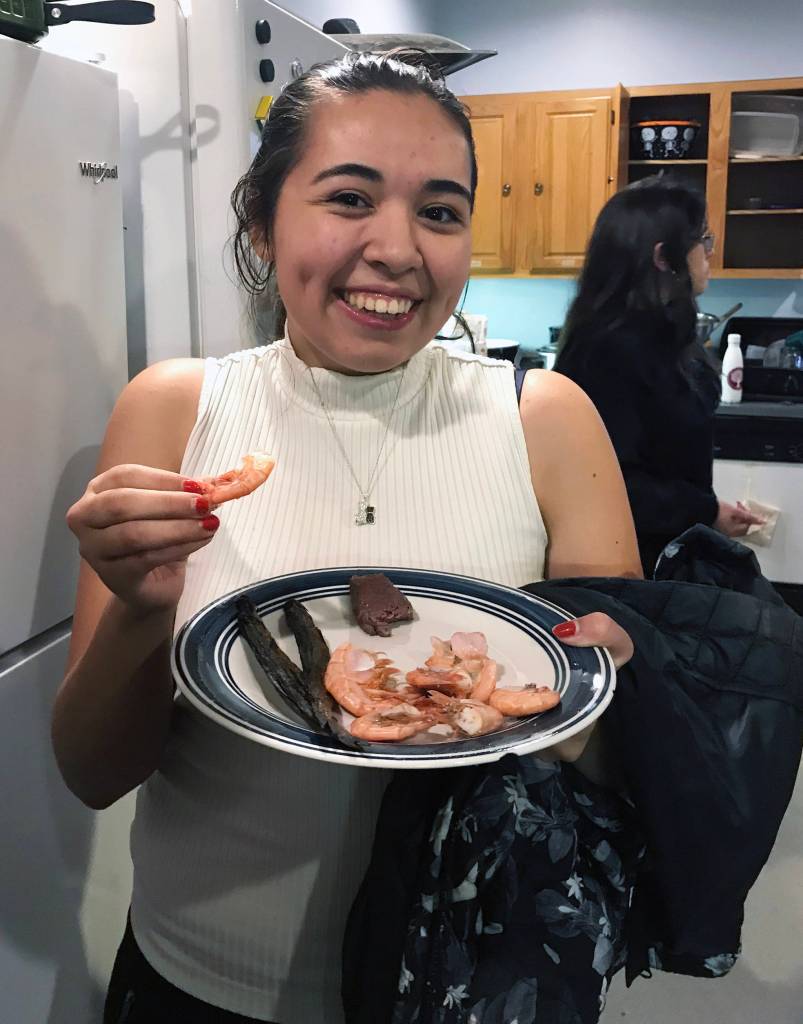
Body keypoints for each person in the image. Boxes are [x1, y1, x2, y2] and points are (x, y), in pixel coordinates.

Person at [52, 52, 641, 1024]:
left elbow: (620, 763)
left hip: (457, 979)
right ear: (260, 221)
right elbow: (91, 771)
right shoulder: (176, 413)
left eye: (439, 211)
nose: (397, 247)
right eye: (348, 198)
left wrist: (604, 697)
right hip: (196, 978)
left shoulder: (545, 418)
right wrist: (143, 611)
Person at [555, 176, 764, 576]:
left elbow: (665, 465)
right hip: (635, 573)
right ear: (664, 258)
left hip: (672, 555)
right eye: (703, 241)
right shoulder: (607, 353)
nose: (709, 254)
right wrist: (702, 511)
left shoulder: (664, 337)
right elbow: (611, 485)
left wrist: (709, 512)